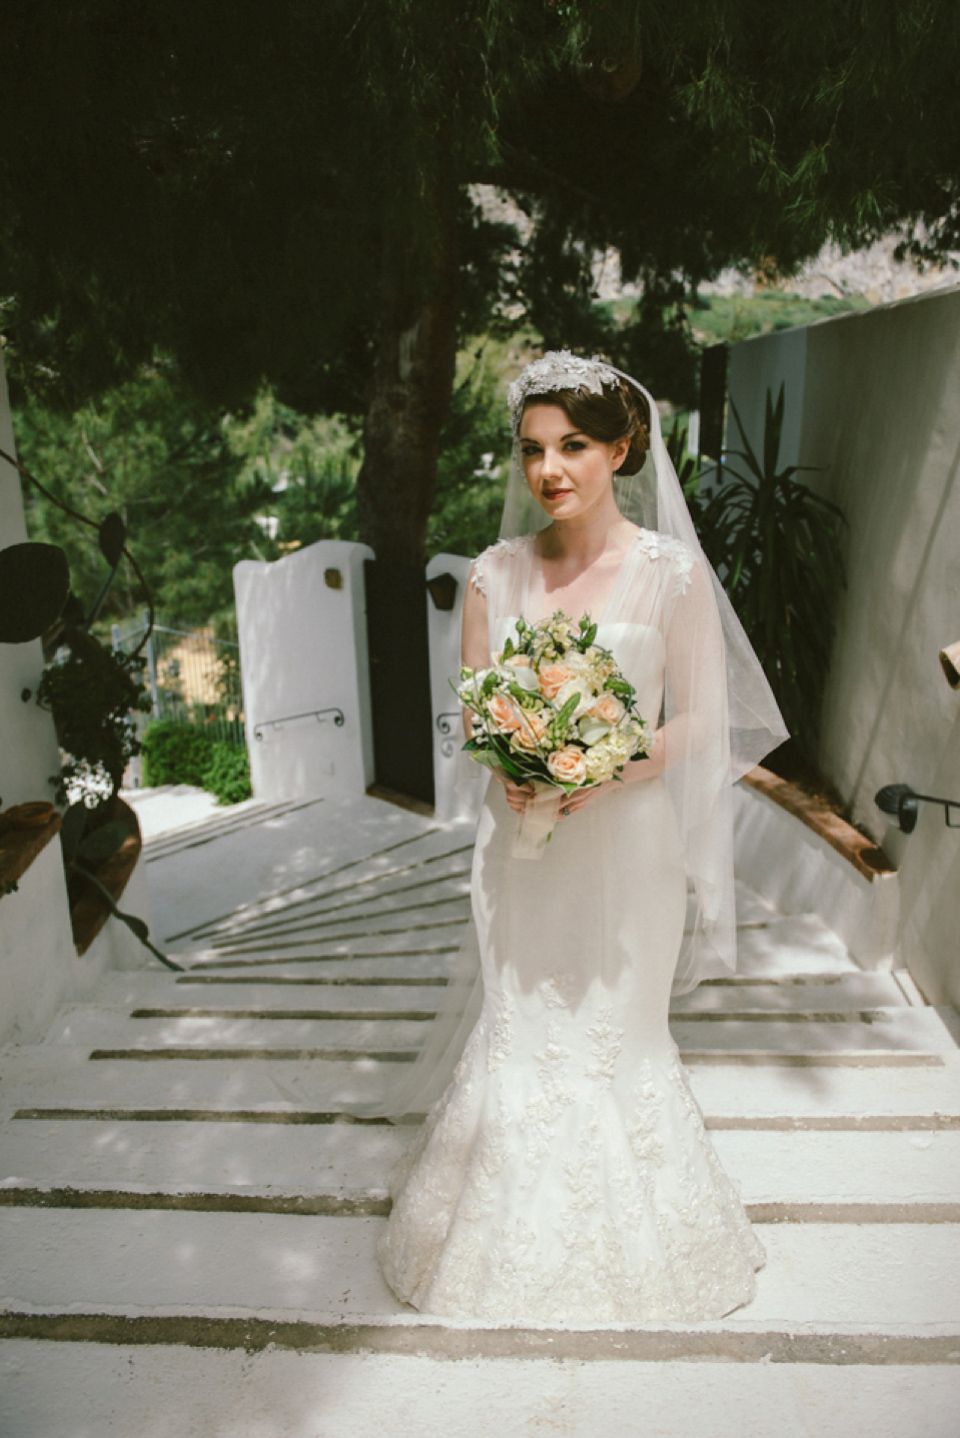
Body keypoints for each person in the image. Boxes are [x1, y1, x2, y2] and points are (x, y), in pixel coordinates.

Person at [367, 352, 787, 1323]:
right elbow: (475, 718)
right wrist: (523, 764)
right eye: (533, 450)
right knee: (522, 1026)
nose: (550, 469)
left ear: (623, 448)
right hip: (523, 843)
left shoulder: (669, 575)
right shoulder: (493, 575)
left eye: (575, 446)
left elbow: (705, 722)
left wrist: (604, 760)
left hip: (631, 846)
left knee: (615, 1034)